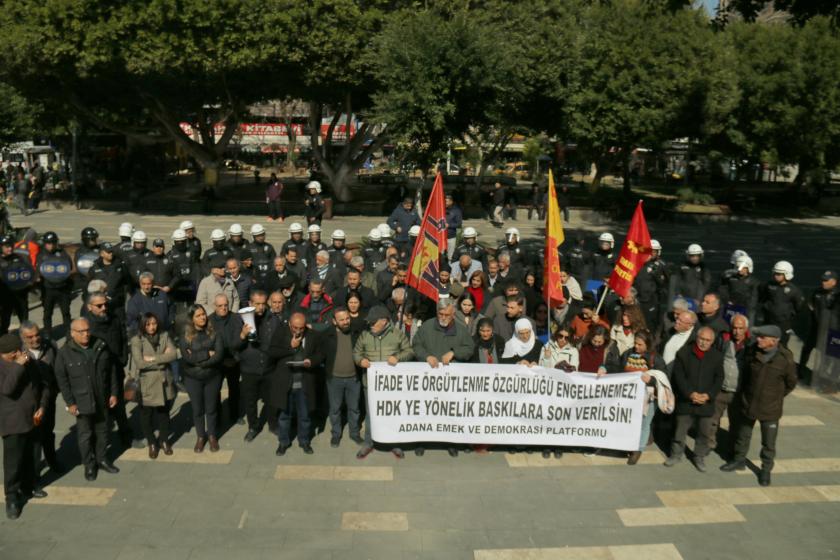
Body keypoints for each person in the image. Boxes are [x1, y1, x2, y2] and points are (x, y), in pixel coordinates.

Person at [721, 325, 797, 486]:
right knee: (743, 436)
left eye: (763, 337)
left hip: (770, 409)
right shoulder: (752, 351)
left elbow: (791, 383)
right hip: (749, 404)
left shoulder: (785, 359)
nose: (758, 340)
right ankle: (739, 460)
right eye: (759, 337)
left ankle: (765, 470)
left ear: (774, 341)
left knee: (768, 443)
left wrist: (775, 397)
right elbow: (746, 375)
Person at [54, 318, 120, 481]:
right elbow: (62, 380)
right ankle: (89, 465)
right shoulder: (64, 353)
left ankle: (102, 459)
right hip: (81, 401)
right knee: (85, 435)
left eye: (88, 330)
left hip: (102, 397)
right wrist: (70, 403)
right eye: (81, 331)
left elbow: (111, 371)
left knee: (103, 431)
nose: (86, 334)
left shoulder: (101, 345)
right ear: (72, 333)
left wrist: (113, 393)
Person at [411, 298, 475, 457]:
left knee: (448, 412)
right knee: (425, 411)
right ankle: (422, 441)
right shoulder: (427, 326)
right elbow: (416, 344)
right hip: (428, 380)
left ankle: (450, 442)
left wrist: (454, 353)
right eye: (441, 314)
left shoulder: (461, 330)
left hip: (450, 382)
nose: (443, 317)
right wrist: (426, 356)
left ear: (453, 313)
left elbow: (469, 348)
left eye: (447, 314)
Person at [354, 305, 414, 459]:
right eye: (370, 322)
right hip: (371, 384)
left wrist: (398, 358)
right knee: (370, 413)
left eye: (374, 322)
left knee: (393, 413)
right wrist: (361, 361)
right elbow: (356, 352)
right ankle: (368, 443)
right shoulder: (365, 335)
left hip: (392, 385)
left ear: (385, 321)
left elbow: (409, 351)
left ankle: (395, 443)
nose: (371, 325)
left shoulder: (397, 334)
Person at [1, 334, 49, 519]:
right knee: (13, 462)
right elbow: (7, 389)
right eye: (17, 352)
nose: (22, 354)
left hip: (33, 419)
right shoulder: (12, 365)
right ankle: (12, 497)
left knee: (33, 456)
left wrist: (42, 406)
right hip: (13, 423)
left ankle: (29, 486)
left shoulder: (28, 363)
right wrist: (18, 365)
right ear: (9, 354)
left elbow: (43, 385)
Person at [665, 326, 724, 472]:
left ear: (712, 342)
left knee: (704, 432)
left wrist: (708, 395)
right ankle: (676, 454)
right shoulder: (684, 353)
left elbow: (719, 379)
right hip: (686, 401)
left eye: (707, 340)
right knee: (680, 430)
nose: (703, 343)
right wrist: (690, 394)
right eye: (701, 339)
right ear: (696, 338)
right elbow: (679, 377)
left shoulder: (717, 356)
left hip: (706, 402)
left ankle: (699, 456)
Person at [267, 312, 323, 456]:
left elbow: (320, 354)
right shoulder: (280, 333)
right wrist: (290, 346)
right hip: (286, 383)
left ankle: (304, 442)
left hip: (304, 384)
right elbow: (272, 351)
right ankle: (283, 442)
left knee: (305, 416)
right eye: (295, 328)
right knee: (284, 416)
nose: (298, 331)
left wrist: (312, 361)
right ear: (290, 325)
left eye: (301, 328)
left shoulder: (313, 335)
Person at [129, 313, 177, 458]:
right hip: (147, 383)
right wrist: (163, 359)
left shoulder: (164, 335)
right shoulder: (137, 340)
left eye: (154, 323)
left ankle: (164, 440)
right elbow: (139, 363)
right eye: (148, 324)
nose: (152, 327)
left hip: (164, 382)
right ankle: (151, 442)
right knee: (146, 415)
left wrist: (153, 359)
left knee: (163, 413)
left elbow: (174, 354)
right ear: (143, 325)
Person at [236, 290, 281, 442]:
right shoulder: (240, 320)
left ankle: (273, 424)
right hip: (249, 369)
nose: (261, 307)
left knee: (271, 399)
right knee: (250, 401)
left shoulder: (273, 319)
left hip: (269, 368)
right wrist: (242, 336)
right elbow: (233, 345)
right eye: (257, 304)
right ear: (250, 303)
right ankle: (253, 427)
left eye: (263, 303)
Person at [179, 305, 225, 453]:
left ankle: (212, 436)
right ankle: (200, 437)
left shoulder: (214, 333)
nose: (202, 318)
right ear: (192, 319)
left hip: (212, 376)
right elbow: (187, 358)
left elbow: (218, 355)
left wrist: (197, 358)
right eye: (198, 315)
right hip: (193, 378)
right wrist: (206, 354)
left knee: (211, 409)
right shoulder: (185, 335)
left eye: (203, 314)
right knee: (198, 409)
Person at [19, 322, 60, 473]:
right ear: (22, 338)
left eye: (37, 335)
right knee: (34, 440)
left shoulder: (51, 346)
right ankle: (34, 474)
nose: (35, 339)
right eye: (30, 337)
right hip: (29, 404)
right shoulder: (18, 353)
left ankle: (52, 461)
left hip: (49, 399)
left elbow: (59, 370)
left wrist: (56, 390)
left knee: (48, 433)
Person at [709, 313, 751, 458]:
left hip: (739, 392)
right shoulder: (723, 340)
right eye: (734, 327)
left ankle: (731, 450)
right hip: (721, 389)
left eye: (740, 328)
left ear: (746, 329)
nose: (737, 331)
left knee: (736, 424)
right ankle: (710, 444)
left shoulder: (751, 344)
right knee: (712, 420)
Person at [322, 308, 362, 447]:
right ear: (334, 321)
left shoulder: (356, 333)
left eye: (347, 318)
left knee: (354, 408)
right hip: (334, 379)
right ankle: (336, 434)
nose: (346, 322)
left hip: (353, 379)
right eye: (342, 320)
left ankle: (354, 433)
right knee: (335, 409)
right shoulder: (327, 335)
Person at [35, 231, 75, 336]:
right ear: (44, 243)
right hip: (48, 289)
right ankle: (47, 333)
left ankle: (69, 333)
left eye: (53, 243)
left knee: (66, 312)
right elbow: (39, 270)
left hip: (62, 288)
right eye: (48, 243)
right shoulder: (41, 255)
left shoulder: (62, 253)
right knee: (47, 313)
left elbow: (68, 267)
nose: (51, 245)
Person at [758, 261, 804, 346]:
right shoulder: (768, 286)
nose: (776, 276)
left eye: (779, 274)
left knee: (781, 346)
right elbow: (761, 297)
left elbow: (799, 307)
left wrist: (788, 315)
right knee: (764, 344)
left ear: (787, 274)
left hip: (783, 324)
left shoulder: (794, 290)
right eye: (775, 273)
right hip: (768, 321)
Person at [1, 235, 34, 334]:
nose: (10, 248)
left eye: (11, 245)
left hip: (20, 295)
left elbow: (28, 273)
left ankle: (26, 341)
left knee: (24, 321)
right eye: (6, 246)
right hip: (5, 296)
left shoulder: (20, 258)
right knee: (4, 322)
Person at [126, 272, 174, 336]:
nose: (146, 287)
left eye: (149, 284)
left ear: (153, 283)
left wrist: (170, 321)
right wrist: (144, 329)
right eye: (143, 284)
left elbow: (172, 307)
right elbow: (131, 320)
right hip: (146, 336)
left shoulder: (162, 294)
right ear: (140, 283)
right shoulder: (134, 301)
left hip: (164, 333)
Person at [444, 193, 462, 257]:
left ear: (451, 201)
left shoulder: (456, 211)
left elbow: (459, 224)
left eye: (447, 201)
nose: (445, 202)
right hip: (440, 237)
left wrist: (449, 225)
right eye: (444, 201)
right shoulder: (441, 209)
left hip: (451, 237)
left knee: (450, 256)